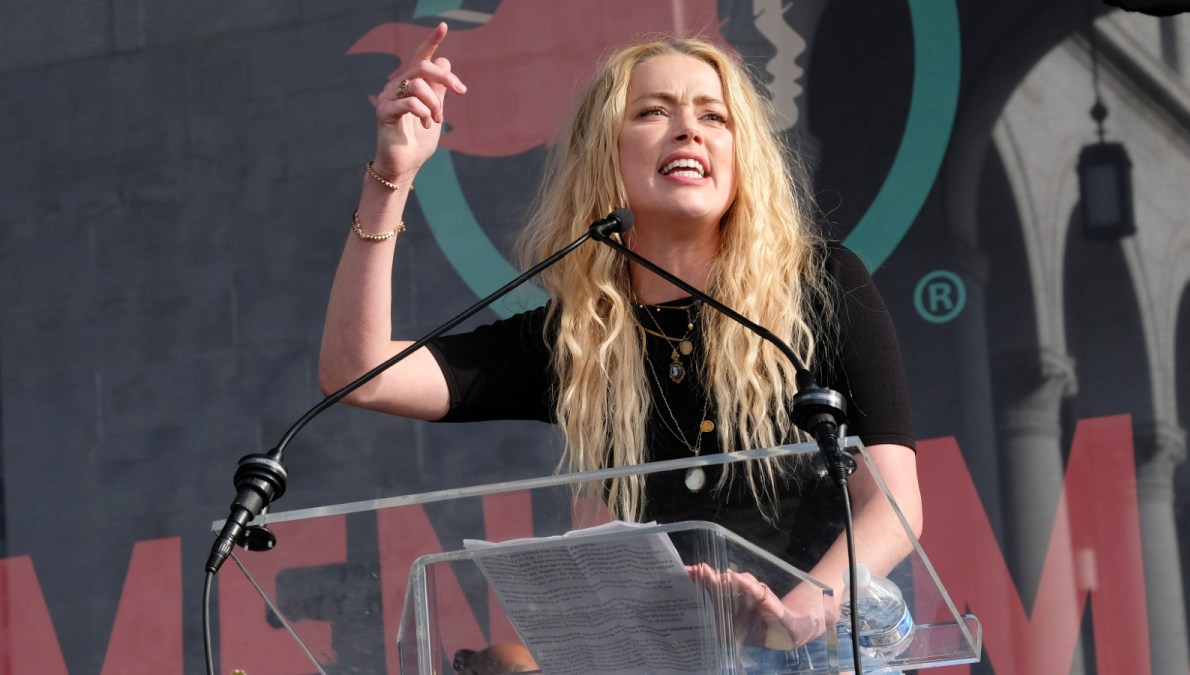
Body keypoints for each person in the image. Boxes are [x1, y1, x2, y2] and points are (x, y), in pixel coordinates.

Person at [319, 22, 922, 657]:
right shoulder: (580, 339)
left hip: (819, 655)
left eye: (714, 116)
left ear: (744, 155)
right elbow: (358, 373)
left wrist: (797, 616)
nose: (688, 129)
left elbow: (893, 504)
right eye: (653, 111)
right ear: (604, 153)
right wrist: (390, 177)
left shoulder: (821, 284)